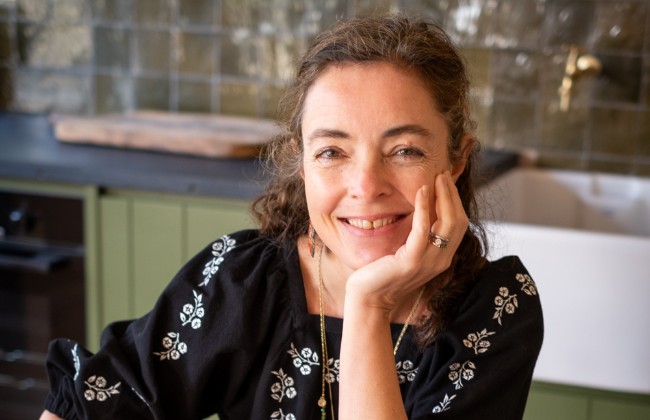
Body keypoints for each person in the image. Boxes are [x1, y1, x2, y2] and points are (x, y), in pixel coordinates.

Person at [40, 14, 543, 420]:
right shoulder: (244, 280)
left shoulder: (496, 310)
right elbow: (89, 401)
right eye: (331, 152)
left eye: (404, 150)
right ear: (302, 165)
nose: (366, 185)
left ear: (456, 161)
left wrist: (369, 303)